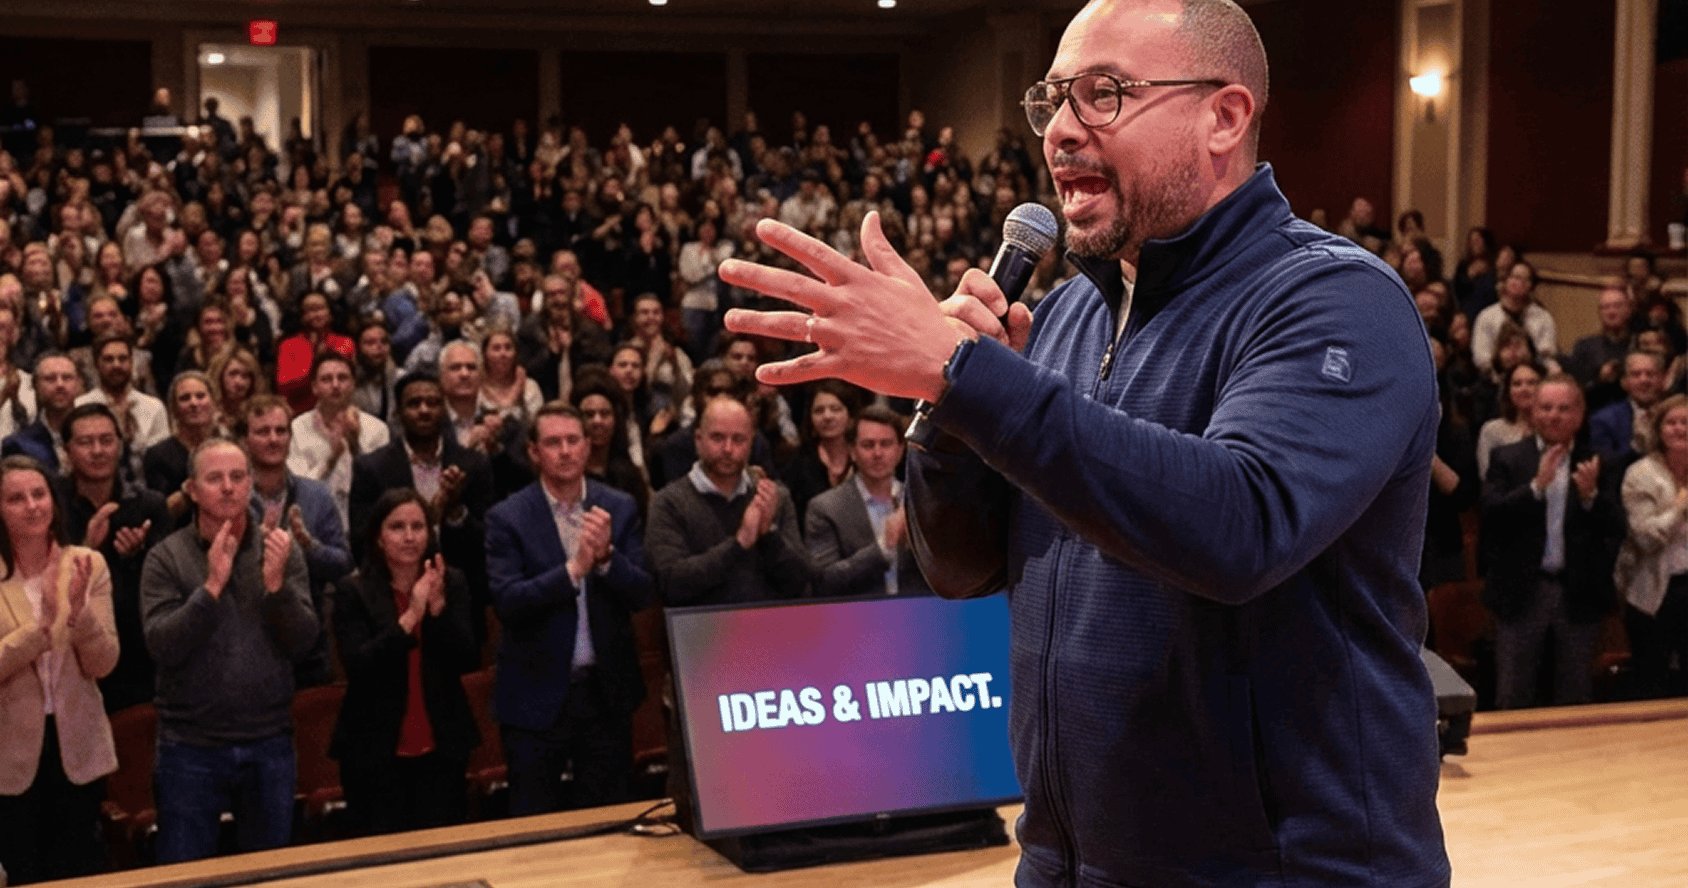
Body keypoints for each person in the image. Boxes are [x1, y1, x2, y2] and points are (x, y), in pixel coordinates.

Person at [719, 1, 1450, 884]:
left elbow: (1242, 526)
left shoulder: (1336, 300)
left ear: (1224, 117)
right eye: (1053, 99)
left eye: (1104, 94)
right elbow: (960, 569)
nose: (1061, 131)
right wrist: (952, 421)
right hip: (1069, 862)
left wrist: (964, 374)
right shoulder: (1064, 313)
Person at [140, 439, 315, 863]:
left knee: (269, 873)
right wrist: (211, 588)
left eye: (238, 477)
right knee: (186, 875)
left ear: (251, 484)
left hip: (269, 740)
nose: (228, 487)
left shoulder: (279, 549)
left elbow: (304, 642)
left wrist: (277, 590)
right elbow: (162, 645)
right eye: (214, 478)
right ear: (192, 489)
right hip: (190, 746)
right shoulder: (166, 557)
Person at [485, 402, 655, 815]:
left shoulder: (618, 506)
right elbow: (508, 602)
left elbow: (643, 593)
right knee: (535, 823)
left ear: (587, 446)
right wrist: (574, 570)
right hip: (535, 697)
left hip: (604, 693)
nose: (565, 451)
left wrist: (607, 560)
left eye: (573, 441)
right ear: (534, 451)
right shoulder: (507, 517)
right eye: (553, 442)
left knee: (610, 821)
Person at [329, 490, 480, 835]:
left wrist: (438, 612)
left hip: (442, 746)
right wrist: (411, 617)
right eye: (397, 527)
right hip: (374, 750)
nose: (409, 536)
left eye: (418, 526)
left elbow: (467, 659)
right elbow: (359, 666)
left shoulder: (451, 582)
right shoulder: (353, 591)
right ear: (379, 538)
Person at [0, 456, 118, 885]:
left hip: (78, 748)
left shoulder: (87, 564)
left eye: (39, 494)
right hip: (9, 756)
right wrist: (42, 628)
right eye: (16, 498)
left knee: (81, 873)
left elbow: (104, 663)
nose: (32, 506)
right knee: (25, 873)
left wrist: (79, 615)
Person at [1481, 374, 1626, 709]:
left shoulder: (1600, 461)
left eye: (1563, 408)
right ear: (1533, 412)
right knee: (1513, 694)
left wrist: (1590, 498)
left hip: (1578, 593)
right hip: (1522, 592)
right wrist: (1535, 487)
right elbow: (1491, 515)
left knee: (1576, 696)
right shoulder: (1507, 458)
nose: (1554, 416)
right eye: (1546, 408)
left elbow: (1617, 527)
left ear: (1580, 414)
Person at [349, 372, 495, 644]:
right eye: (414, 403)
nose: (424, 410)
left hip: (459, 603)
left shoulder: (474, 465)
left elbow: (487, 542)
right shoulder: (371, 469)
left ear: (445, 409)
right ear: (398, 412)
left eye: (433, 403)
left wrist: (455, 511)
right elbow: (361, 542)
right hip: (391, 604)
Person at [58, 403, 171, 714]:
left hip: (137, 660)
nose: (98, 451)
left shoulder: (149, 505)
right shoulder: (51, 507)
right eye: (85, 442)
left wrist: (136, 557)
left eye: (106, 440)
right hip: (68, 657)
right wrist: (87, 548)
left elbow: (167, 588)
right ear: (66, 450)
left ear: (120, 445)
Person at [646, 397, 809, 606]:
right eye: (717, 438)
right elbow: (670, 585)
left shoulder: (774, 497)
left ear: (751, 443)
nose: (728, 449)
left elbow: (800, 583)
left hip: (770, 622)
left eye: (739, 439)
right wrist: (738, 545)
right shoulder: (668, 502)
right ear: (698, 439)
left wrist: (769, 536)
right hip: (700, 624)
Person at [242, 396, 355, 687]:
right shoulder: (232, 498)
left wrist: (307, 547)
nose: (273, 439)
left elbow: (343, 564)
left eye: (281, 431)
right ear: (245, 440)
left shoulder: (316, 495)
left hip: (308, 646)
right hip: (247, 646)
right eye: (263, 431)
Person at [805, 405, 929, 598]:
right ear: (852, 451)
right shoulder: (825, 508)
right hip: (857, 614)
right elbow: (823, 582)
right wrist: (883, 548)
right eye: (868, 445)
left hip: (921, 611)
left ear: (900, 450)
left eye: (886, 444)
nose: (877, 453)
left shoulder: (921, 501)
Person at [1612, 395, 1688, 699]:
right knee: (1653, 682)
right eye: (1672, 422)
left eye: (1686, 422)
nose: (1680, 428)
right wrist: (1678, 508)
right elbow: (1644, 536)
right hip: (1654, 592)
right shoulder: (1640, 473)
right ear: (1659, 429)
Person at [288, 350, 391, 528]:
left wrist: (355, 447)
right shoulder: (296, 428)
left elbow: (381, 488)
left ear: (353, 384)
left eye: (342, 378)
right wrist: (331, 459)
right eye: (326, 379)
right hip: (313, 522)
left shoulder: (377, 429)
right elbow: (298, 488)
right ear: (314, 387)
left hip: (365, 523)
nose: (335, 385)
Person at [143, 371, 217, 526]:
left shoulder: (229, 449)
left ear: (213, 403)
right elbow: (161, 513)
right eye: (185, 398)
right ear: (174, 409)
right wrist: (190, 489)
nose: (194, 403)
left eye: (200, 396)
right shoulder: (157, 455)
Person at [1, 353, 82, 472]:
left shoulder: (97, 437)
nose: (60, 385)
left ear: (79, 384)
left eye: (67, 378)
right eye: (50, 379)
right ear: (35, 385)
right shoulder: (18, 445)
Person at [1588, 350, 1667, 470]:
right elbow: (1607, 468)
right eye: (1636, 374)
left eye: (1650, 374)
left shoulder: (1678, 413)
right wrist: (1636, 446)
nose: (1644, 380)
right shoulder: (1603, 420)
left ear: (1663, 379)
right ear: (1624, 382)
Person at [1475, 361, 1542, 480]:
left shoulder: (1552, 427)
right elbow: (1487, 478)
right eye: (1517, 384)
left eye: (1531, 383)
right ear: (1508, 391)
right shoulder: (1492, 430)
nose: (1524, 389)